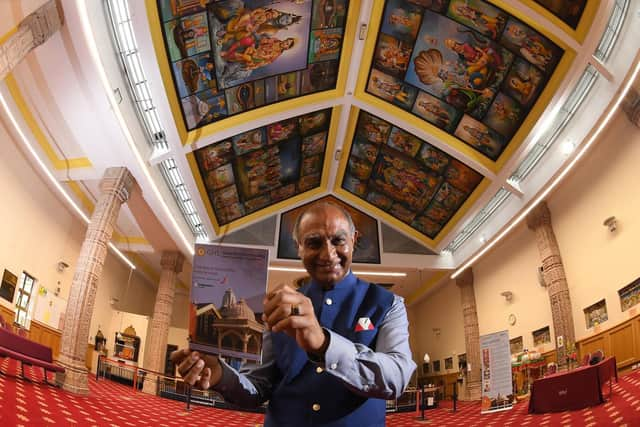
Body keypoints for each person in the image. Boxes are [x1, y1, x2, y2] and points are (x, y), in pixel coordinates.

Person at [171, 202, 416, 426]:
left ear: (353, 240)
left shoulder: (389, 304)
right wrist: (222, 376)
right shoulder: (278, 307)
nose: (327, 254)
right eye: (314, 243)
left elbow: (396, 378)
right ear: (298, 247)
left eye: (338, 241)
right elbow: (257, 387)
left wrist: (323, 344)